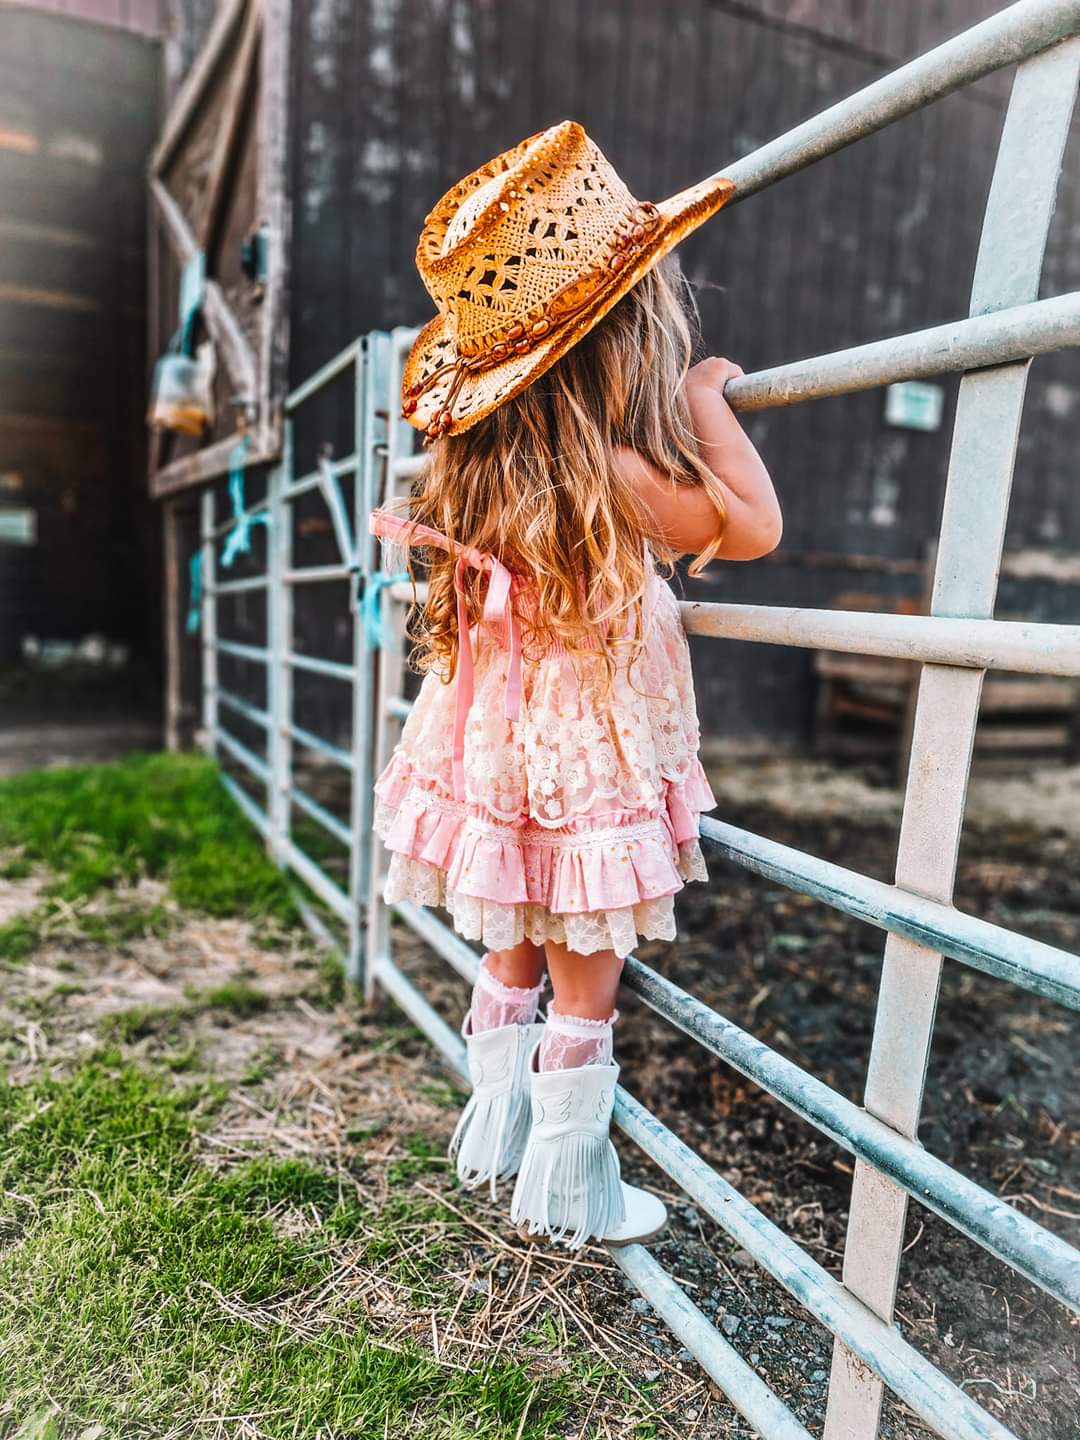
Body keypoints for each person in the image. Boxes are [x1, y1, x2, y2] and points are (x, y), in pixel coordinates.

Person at [369, 121, 781, 1250]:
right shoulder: (623, 466)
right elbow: (753, 527)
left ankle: (496, 1124)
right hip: (584, 748)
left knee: (510, 929)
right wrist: (704, 400)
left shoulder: (480, 461)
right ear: (621, 333)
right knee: (582, 962)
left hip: (496, 744)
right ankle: (569, 1181)